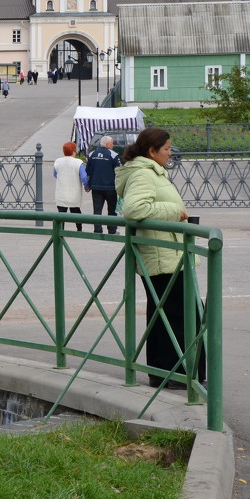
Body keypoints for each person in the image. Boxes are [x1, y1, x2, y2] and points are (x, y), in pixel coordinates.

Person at [115, 127, 204, 388]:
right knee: (179, 316)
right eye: (166, 149)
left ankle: (167, 374)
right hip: (162, 256)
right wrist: (174, 211)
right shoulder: (143, 173)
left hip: (168, 253)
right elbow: (133, 209)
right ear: (152, 151)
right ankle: (177, 377)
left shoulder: (150, 171)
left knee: (167, 315)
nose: (170, 153)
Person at [85, 136, 123, 234]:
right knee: (111, 210)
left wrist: (88, 185)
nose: (113, 145)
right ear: (107, 144)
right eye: (112, 143)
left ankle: (97, 230)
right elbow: (119, 171)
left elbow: (88, 171)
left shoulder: (92, 154)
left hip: (96, 187)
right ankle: (112, 230)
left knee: (97, 210)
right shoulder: (113, 155)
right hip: (110, 187)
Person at [52, 141, 88, 232]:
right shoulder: (78, 162)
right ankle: (79, 229)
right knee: (76, 212)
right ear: (73, 151)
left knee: (61, 213)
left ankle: (60, 231)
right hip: (74, 192)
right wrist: (86, 186)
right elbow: (83, 177)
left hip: (61, 192)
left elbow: (55, 174)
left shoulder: (58, 161)